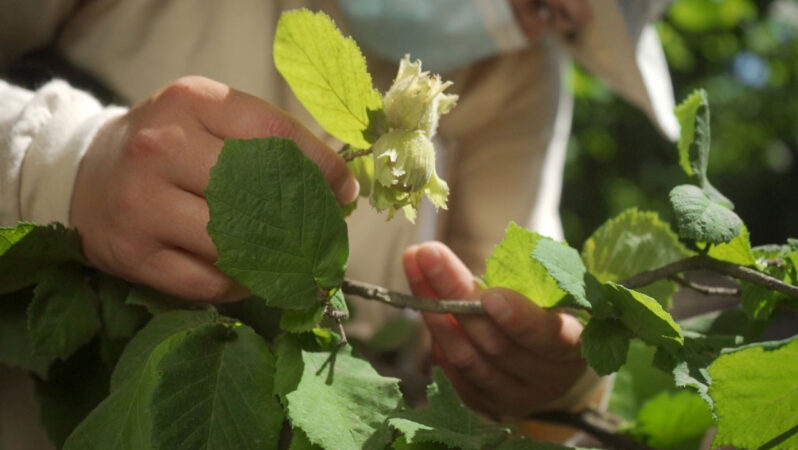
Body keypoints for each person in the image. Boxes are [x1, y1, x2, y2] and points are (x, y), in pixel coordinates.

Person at [0, 0, 677, 447]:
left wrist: (553, 386)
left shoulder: (522, 82)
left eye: (551, 13)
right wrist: (64, 163)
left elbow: (508, 302)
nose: (515, 19)